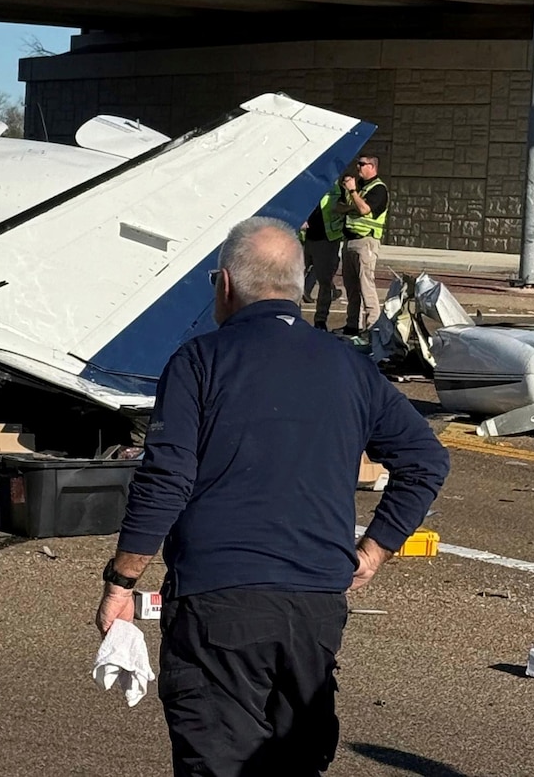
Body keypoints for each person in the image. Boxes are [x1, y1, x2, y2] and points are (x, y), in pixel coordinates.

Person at [95, 217, 448, 776]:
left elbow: (166, 478)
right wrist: (374, 550)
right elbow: (426, 460)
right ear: (299, 287)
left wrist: (122, 580)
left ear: (226, 284)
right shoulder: (349, 366)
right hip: (313, 607)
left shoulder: (199, 361)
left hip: (219, 601)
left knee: (219, 760)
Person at [339, 155, 388, 336]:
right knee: (351, 287)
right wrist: (353, 198)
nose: (358, 167)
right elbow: (340, 207)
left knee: (366, 285)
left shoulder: (379, 189)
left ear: (372, 167)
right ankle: (352, 325)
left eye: (362, 164)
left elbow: (364, 209)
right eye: (357, 164)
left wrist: (353, 193)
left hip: (365, 241)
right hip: (349, 241)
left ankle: (372, 327)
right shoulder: (361, 187)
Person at [300, 181, 345, 330]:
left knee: (325, 282)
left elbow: (347, 208)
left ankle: (320, 320)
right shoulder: (309, 184)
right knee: (295, 279)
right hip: (307, 237)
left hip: (327, 239)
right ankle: (295, 315)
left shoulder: (338, 188)